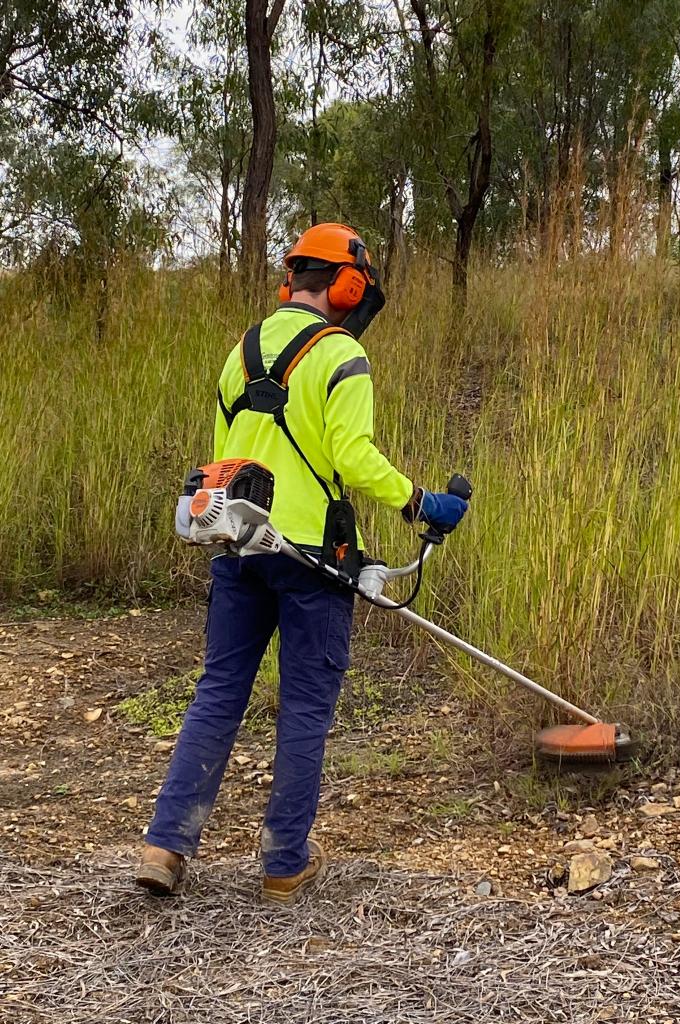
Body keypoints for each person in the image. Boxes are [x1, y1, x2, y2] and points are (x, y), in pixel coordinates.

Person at [136, 223, 468, 905]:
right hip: (309, 558)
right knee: (306, 708)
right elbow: (352, 457)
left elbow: (231, 444)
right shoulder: (342, 354)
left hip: (238, 542)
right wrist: (421, 504)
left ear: (293, 279)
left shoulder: (243, 350)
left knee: (219, 691)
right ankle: (284, 863)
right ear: (349, 286)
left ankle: (165, 846)